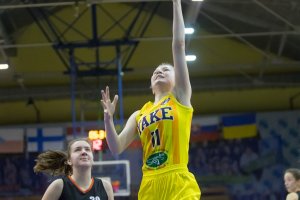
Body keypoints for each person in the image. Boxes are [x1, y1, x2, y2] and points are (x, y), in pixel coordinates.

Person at [100, 0, 201, 199]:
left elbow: (178, 45)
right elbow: (116, 147)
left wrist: (176, 4)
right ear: (150, 84)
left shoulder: (180, 98)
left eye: (166, 70)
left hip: (177, 178)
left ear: (176, 80)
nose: (160, 71)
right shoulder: (139, 114)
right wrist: (108, 120)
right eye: (156, 71)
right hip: (149, 183)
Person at [33, 137, 114, 200]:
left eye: (87, 149)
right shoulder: (59, 185)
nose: (84, 152)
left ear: (92, 159)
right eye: (77, 150)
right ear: (69, 160)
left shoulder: (105, 186)